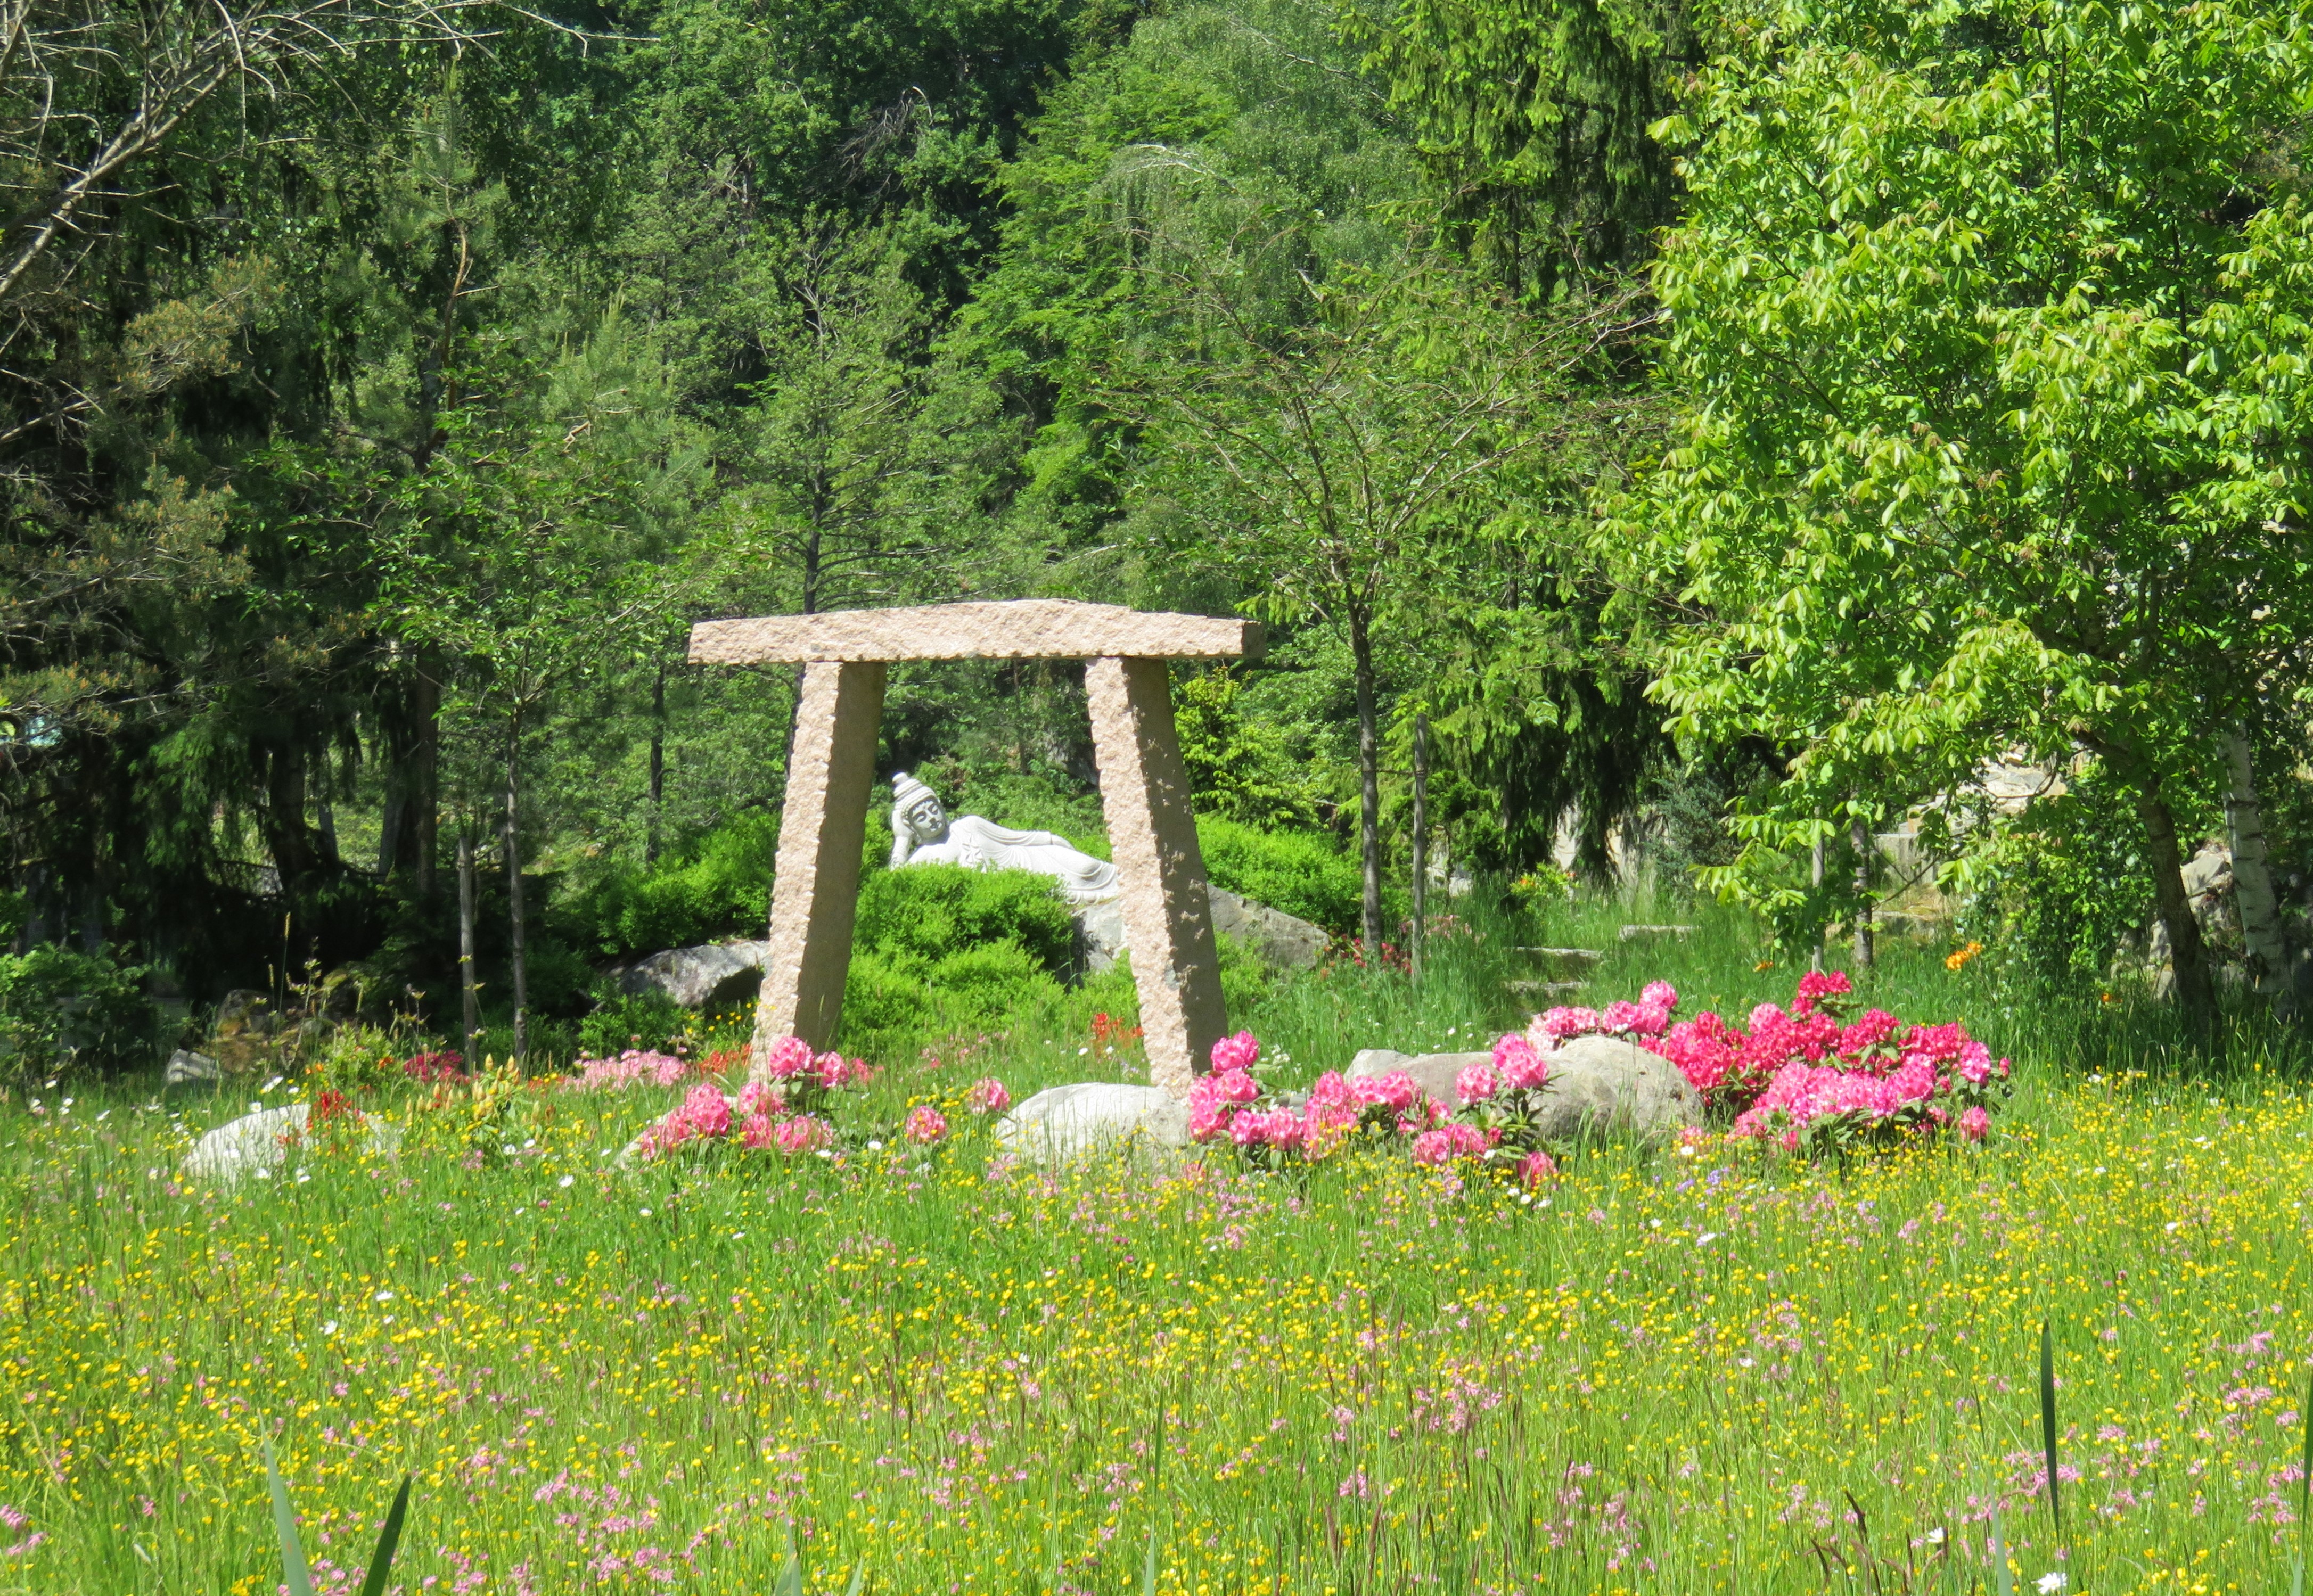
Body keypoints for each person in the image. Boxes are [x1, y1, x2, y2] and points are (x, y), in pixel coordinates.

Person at [888, 772, 1120, 904]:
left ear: (940, 805)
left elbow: (1018, 839)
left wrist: (1050, 839)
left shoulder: (968, 824)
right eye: (920, 816)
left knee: (1088, 866)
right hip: (1020, 889)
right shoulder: (925, 858)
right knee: (1072, 896)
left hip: (1033, 859)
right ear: (912, 826)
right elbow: (896, 889)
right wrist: (902, 840)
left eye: (932, 808)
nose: (931, 818)